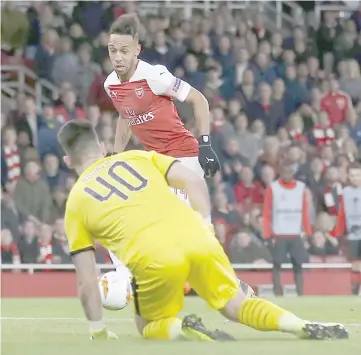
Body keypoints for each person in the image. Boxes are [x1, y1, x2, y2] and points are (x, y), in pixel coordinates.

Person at [59, 119, 347, 341]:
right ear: (100, 147)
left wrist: (98, 331)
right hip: (197, 235)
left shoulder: (76, 202)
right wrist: (206, 227)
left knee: (146, 325)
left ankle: (183, 327)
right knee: (237, 304)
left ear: (68, 161)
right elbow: (194, 183)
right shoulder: (137, 157)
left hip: (153, 258)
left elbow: (87, 281)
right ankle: (299, 325)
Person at [103, 13, 220, 272]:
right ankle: (129, 278)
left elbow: (199, 99)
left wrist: (206, 144)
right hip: (156, 162)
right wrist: (115, 154)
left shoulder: (155, 76)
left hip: (183, 155)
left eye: (124, 51)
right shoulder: (111, 84)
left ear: (137, 50)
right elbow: (126, 116)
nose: (118, 57)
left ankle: (227, 285)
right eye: (113, 51)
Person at [262, 160, 311, 296]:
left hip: (295, 234)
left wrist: (306, 231)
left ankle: (300, 293)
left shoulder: (301, 188)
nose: (287, 174)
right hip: (279, 234)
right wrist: (268, 234)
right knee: (277, 264)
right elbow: (267, 212)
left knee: (298, 265)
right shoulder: (273, 188)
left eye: (290, 171)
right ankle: (278, 293)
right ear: (280, 172)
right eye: (284, 171)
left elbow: (304, 212)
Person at [331, 163, 361, 295]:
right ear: (348, 176)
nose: (355, 178)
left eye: (358, 175)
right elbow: (342, 213)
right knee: (355, 265)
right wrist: (339, 232)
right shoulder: (345, 192)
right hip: (353, 235)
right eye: (352, 175)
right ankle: (355, 294)